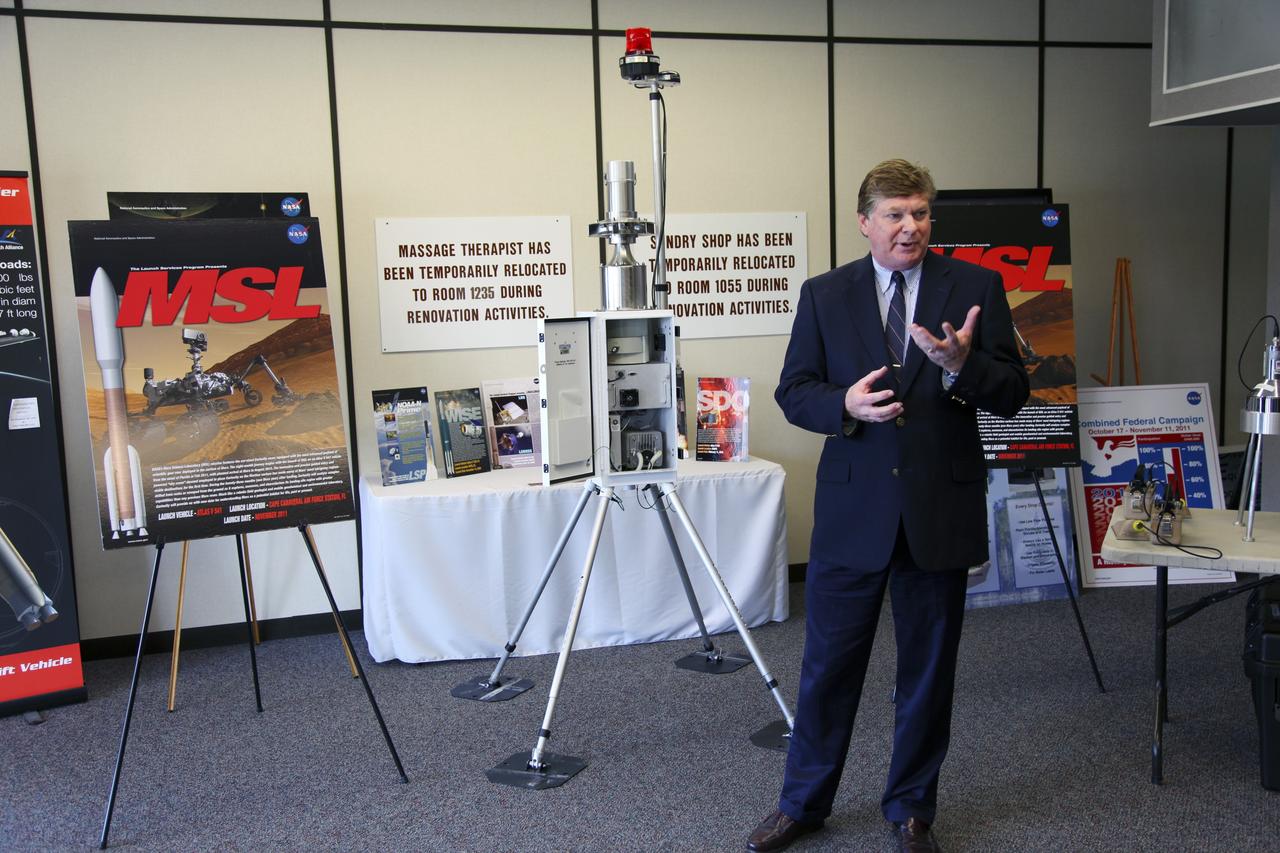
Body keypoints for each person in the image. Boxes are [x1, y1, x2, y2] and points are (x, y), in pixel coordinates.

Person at [748, 160, 1029, 853]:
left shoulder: (976, 287)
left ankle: (911, 809)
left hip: (938, 509)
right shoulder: (825, 293)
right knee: (828, 670)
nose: (912, 227)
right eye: (896, 214)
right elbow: (794, 390)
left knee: (927, 673)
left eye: (922, 213)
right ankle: (802, 803)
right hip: (854, 514)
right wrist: (843, 403)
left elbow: (1013, 393)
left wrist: (962, 366)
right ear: (865, 222)